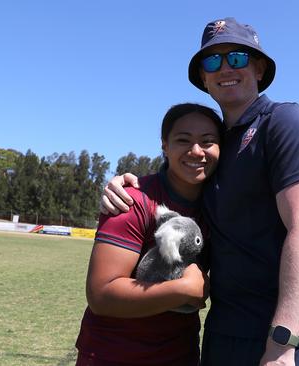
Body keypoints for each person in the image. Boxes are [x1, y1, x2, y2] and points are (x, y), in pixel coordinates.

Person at [100, 17, 299, 366]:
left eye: (236, 58)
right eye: (211, 61)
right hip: (223, 332)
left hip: (280, 340)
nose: (224, 68)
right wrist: (126, 183)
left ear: (259, 69)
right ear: (203, 79)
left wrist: (282, 343)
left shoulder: (283, 123)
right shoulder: (215, 145)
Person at [74, 103, 223, 365]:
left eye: (208, 141)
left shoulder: (220, 204)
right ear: (164, 146)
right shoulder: (131, 199)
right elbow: (101, 294)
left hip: (181, 355)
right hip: (113, 355)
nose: (196, 151)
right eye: (183, 140)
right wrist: (183, 289)